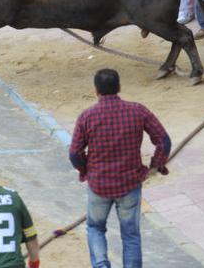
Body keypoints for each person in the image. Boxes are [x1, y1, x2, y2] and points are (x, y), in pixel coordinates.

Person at [69, 69, 171, 268]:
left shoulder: (87, 116)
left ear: (96, 91)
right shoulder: (138, 111)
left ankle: (101, 265)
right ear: (119, 88)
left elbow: (74, 154)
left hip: (99, 185)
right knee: (131, 235)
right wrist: (155, 165)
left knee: (95, 228)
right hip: (130, 184)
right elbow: (164, 141)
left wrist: (86, 169)